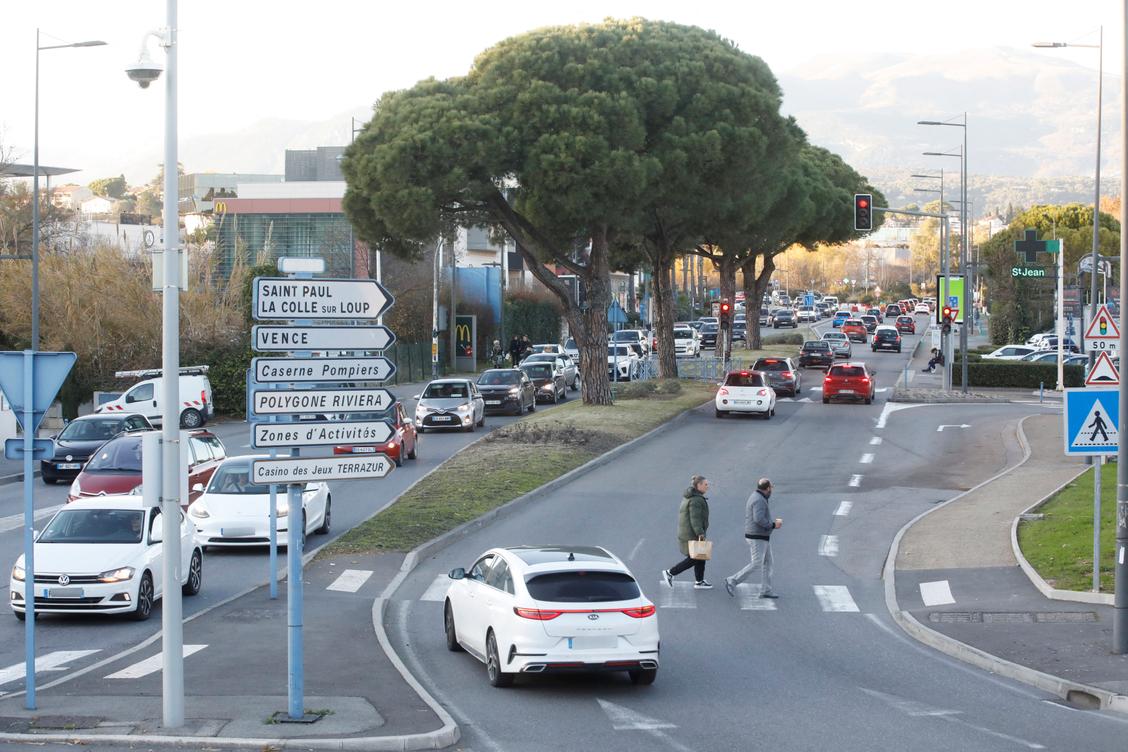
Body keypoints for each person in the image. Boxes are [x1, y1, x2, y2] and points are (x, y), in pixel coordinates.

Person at [724, 478, 780, 599]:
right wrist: (773, 525)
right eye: (772, 488)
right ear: (768, 488)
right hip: (757, 536)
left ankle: (766, 590)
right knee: (757, 563)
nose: (772, 490)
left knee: (768, 563)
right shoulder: (759, 500)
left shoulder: (757, 496)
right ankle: (732, 580)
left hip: (761, 536)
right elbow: (758, 519)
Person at [662, 475, 712, 590]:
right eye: (705, 484)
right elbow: (695, 518)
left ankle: (699, 581)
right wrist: (700, 532)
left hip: (688, 532)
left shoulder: (692, 496)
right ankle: (670, 573)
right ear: (698, 485)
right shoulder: (696, 500)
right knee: (694, 558)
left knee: (700, 556)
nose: (707, 487)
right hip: (692, 533)